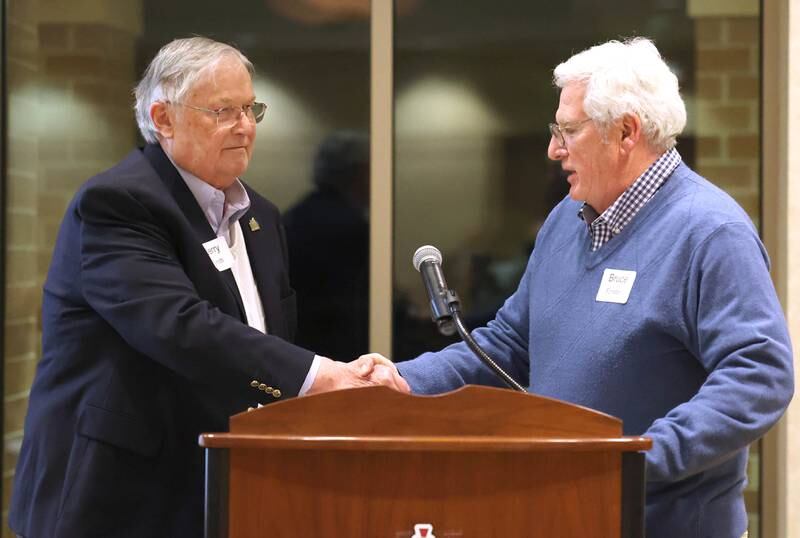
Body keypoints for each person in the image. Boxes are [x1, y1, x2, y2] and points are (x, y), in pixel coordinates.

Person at [381, 38, 794, 538]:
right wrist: (400, 383)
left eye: (568, 131)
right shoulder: (566, 221)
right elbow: (509, 345)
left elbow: (759, 373)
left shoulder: (709, 231)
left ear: (625, 132)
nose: (554, 149)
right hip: (563, 514)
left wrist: (641, 456)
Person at [9, 37, 406, 538]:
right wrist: (323, 377)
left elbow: (266, 343)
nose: (245, 126)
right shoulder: (119, 204)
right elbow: (179, 326)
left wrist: (341, 380)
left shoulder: (261, 216)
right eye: (223, 111)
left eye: (249, 108)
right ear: (163, 118)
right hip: (116, 497)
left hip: (224, 488)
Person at [284, 130, 370, 360]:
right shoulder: (347, 222)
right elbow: (354, 297)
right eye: (369, 170)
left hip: (299, 345)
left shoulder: (296, 214)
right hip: (334, 345)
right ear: (357, 172)